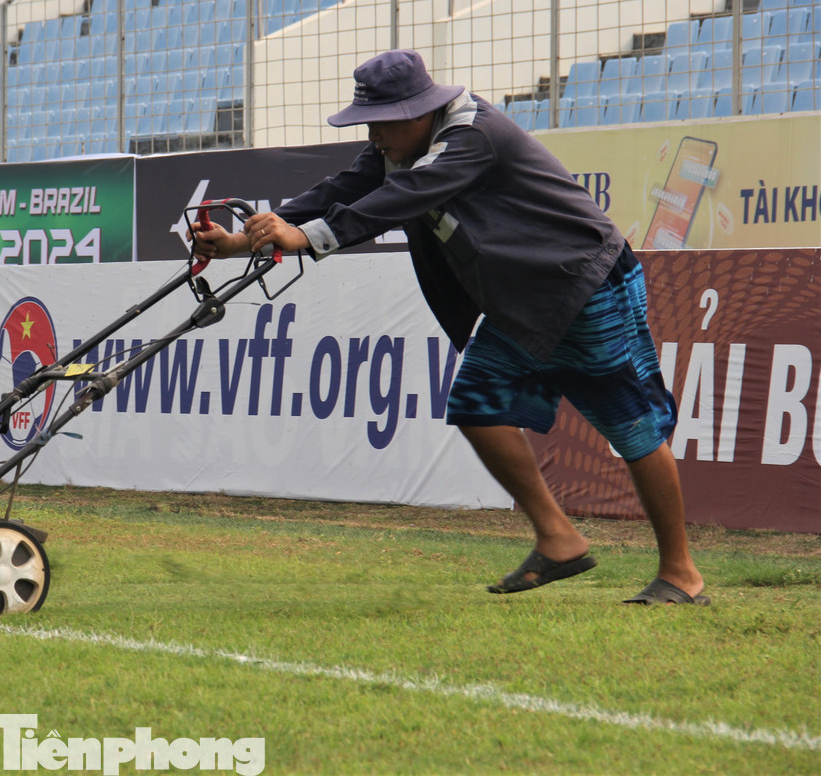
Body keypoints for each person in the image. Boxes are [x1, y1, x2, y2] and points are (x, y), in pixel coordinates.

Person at [192, 49, 708, 606]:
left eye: (380, 124)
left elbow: (403, 197)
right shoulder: (398, 148)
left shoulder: (472, 137)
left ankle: (681, 574)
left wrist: (310, 237)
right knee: (475, 405)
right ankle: (559, 539)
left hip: (584, 284)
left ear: (417, 113)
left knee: (631, 427)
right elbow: (341, 190)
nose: (373, 136)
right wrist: (246, 240)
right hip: (524, 299)